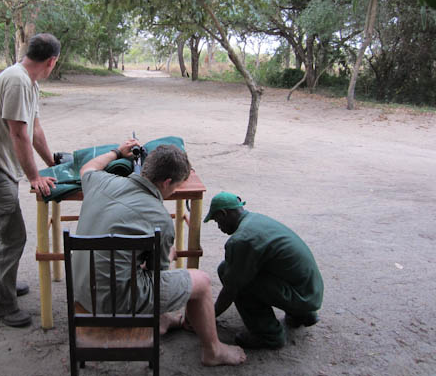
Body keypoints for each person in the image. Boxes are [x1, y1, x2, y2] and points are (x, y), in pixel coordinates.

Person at [73, 141, 246, 366]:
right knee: (201, 282)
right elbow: (158, 274)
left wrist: (117, 152)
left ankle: (163, 320)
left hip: (83, 291)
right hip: (113, 304)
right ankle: (213, 351)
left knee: (136, 266)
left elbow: (87, 167)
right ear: (166, 182)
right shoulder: (160, 219)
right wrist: (168, 254)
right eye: (176, 187)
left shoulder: (101, 181)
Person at [0, 33, 60, 327]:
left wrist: (52, 164)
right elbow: (18, 133)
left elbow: (35, 130)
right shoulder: (18, 82)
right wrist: (34, 177)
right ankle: (2, 306)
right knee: (11, 237)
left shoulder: (28, 82)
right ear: (51, 61)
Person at [204, 192, 324, 349]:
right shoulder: (257, 220)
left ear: (223, 213)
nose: (219, 226)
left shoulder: (242, 239)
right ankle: (303, 315)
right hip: (311, 291)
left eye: (217, 221)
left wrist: (209, 316)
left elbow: (231, 288)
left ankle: (268, 335)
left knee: (235, 278)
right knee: (233, 269)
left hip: (302, 297)